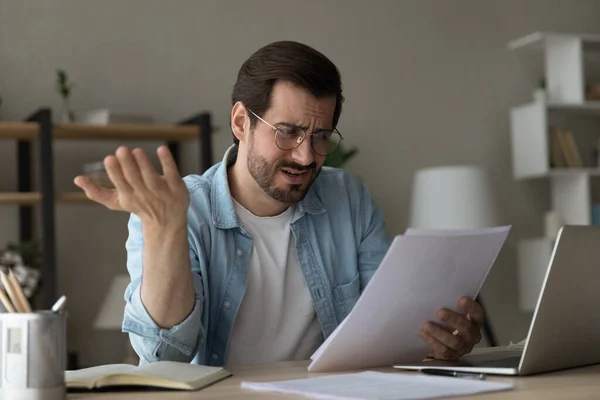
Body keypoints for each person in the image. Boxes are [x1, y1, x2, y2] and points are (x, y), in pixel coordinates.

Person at [74, 40, 484, 366]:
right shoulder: (177, 209)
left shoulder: (349, 198)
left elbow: (388, 329)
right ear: (240, 122)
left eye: (321, 136)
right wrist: (167, 231)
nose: (307, 156)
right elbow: (164, 356)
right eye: (287, 132)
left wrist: (436, 341)